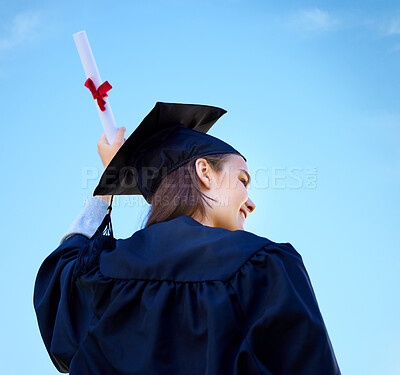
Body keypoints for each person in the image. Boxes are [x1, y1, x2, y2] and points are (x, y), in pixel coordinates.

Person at [34, 102, 341, 374]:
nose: (250, 201)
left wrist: (108, 181)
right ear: (205, 172)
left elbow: (62, 283)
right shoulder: (265, 265)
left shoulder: (100, 277)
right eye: (242, 179)